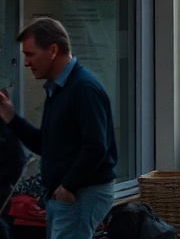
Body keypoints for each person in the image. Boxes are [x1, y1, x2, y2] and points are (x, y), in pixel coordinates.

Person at [0, 17, 117, 239]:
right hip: (65, 195)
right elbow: (46, 144)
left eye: (30, 54)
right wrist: (10, 116)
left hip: (80, 194)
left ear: (53, 50)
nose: (25, 62)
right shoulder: (59, 89)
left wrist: (67, 187)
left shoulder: (83, 88)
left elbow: (96, 146)